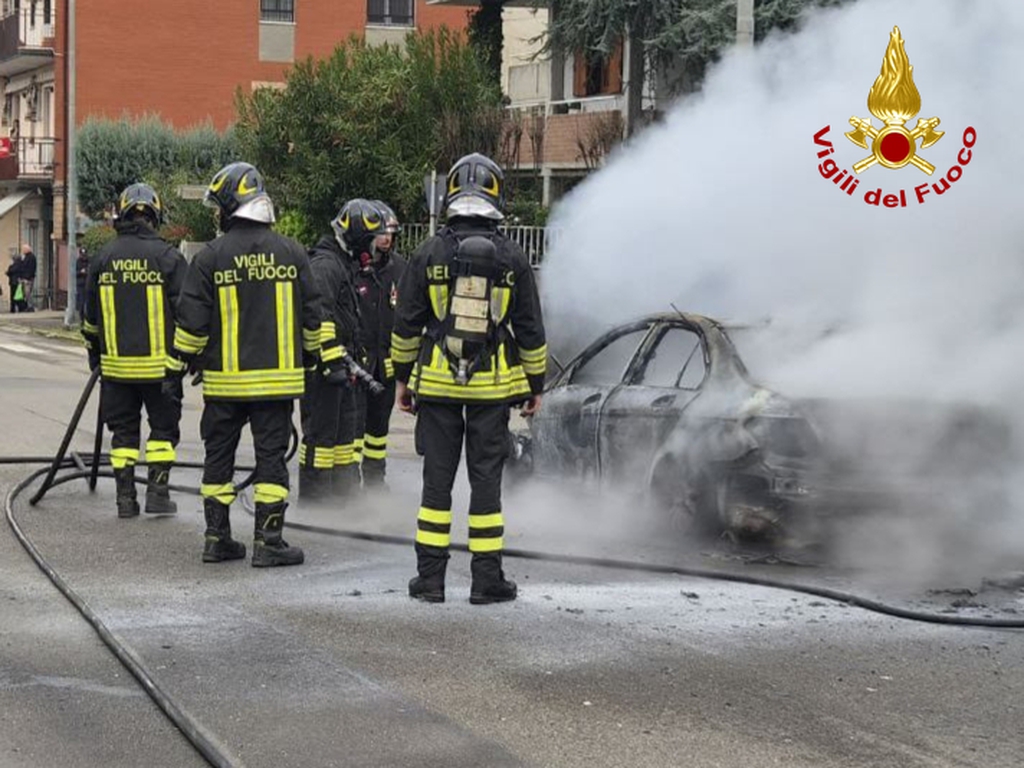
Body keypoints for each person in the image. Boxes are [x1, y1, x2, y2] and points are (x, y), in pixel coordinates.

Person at [391, 153, 547, 605]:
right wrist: (534, 385)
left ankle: (430, 580)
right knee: (486, 484)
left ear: (454, 191)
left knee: (436, 483)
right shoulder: (512, 256)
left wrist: (404, 380)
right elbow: (531, 330)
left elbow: (407, 326)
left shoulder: (429, 252)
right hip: (492, 391)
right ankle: (486, 580)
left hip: (437, 388)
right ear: (497, 193)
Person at [168, 162, 323, 567]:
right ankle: (269, 542)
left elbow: (192, 327)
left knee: (218, 459)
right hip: (276, 386)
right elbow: (313, 317)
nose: (216, 215)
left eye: (218, 207)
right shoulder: (292, 253)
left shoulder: (210, 257)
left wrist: (179, 367)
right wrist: (311, 360)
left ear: (231, 204)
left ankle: (217, 538)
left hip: (223, 386)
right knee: (271, 461)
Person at [81, 184, 187, 518]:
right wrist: (188, 359)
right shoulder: (169, 258)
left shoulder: (103, 258)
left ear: (123, 214)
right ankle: (158, 492)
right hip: (161, 371)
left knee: (124, 435)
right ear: (155, 216)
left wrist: (96, 359)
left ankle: (125, 499)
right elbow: (189, 313)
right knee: (162, 433)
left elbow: (90, 321)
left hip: (116, 372)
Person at [297, 200, 367, 502]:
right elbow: (318, 313)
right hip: (325, 370)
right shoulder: (326, 265)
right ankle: (315, 502)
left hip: (341, 367)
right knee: (321, 439)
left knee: (342, 439)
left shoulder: (342, 264)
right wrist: (328, 359)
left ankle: (342, 499)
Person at [351, 200, 406, 489]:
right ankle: (350, 482)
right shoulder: (353, 268)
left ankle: (375, 480)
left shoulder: (400, 269)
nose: (386, 238)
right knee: (355, 429)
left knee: (378, 431)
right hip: (358, 365)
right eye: (380, 232)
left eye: (390, 232)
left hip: (386, 365)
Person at [19, 243, 36, 312]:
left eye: (23, 249)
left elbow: (30, 268)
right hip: (26, 277)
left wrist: (27, 277)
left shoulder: (31, 257)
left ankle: (30, 306)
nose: (22, 251)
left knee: (28, 293)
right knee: (25, 293)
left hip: (28, 278)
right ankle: (27, 306)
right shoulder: (27, 257)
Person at [75, 247, 89, 322]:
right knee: (81, 302)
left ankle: (88, 318)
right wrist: (81, 272)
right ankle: (82, 318)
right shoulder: (78, 262)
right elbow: (75, 273)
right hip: (81, 285)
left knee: (89, 302)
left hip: (88, 284)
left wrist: (86, 271)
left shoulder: (89, 261)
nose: (84, 257)